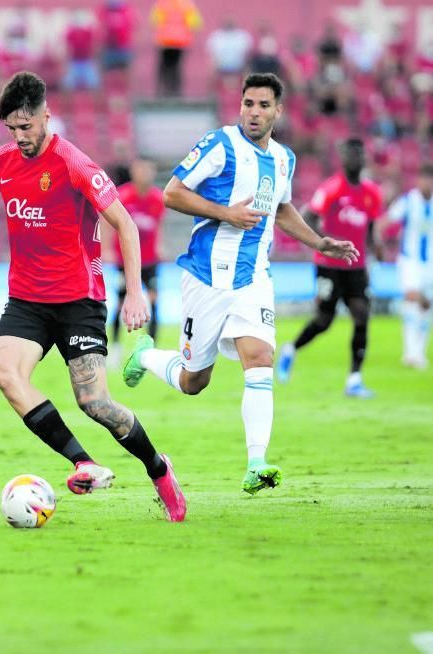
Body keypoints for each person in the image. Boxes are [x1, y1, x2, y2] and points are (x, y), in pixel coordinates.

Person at [0, 71, 186, 521]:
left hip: (78, 300)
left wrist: (133, 295)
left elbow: (124, 224)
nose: (19, 137)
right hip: (27, 300)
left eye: (26, 127)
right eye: (11, 129)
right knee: (6, 375)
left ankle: (158, 468)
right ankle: (83, 463)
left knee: (95, 404)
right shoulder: (4, 160)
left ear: (46, 116)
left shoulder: (75, 164)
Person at [122, 73, 359, 495]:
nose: (254, 112)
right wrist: (224, 212)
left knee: (260, 357)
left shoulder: (284, 159)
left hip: (254, 278)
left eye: (263, 105)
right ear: (241, 106)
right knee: (194, 381)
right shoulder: (220, 145)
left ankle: (256, 462)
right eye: (248, 103)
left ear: (277, 111)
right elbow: (172, 194)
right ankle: (147, 356)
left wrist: (320, 242)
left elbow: (281, 210)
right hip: (206, 278)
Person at [277, 138, 383, 398]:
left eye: (359, 155)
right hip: (329, 266)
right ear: (343, 158)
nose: (356, 159)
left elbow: (369, 227)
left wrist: (374, 246)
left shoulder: (371, 193)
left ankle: (354, 379)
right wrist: (324, 242)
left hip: (356, 265)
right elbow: (308, 215)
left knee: (361, 314)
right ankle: (291, 348)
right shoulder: (332, 188)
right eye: (351, 155)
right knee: (324, 320)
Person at [108, 157, 164, 366]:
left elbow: (158, 225)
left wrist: (159, 245)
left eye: (148, 170)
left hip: (149, 260)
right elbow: (108, 223)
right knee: (120, 303)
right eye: (141, 170)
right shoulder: (122, 196)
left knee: (154, 301)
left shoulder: (158, 199)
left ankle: (152, 351)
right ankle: (115, 348)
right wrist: (106, 248)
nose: (144, 174)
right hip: (125, 260)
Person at [380, 163, 433, 369]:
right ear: (418, 180)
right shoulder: (408, 201)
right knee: (412, 299)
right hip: (409, 261)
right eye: (423, 178)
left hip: (430, 264)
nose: (426, 183)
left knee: (425, 309)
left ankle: (418, 353)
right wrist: (378, 243)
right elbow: (385, 222)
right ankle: (410, 353)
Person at [149, 0, 202, 97]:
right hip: (180, 41)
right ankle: (176, 92)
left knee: (164, 66)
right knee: (177, 67)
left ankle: (162, 91)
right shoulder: (187, 4)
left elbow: (154, 21)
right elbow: (195, 23)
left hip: (165, 40)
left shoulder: (162, 3)